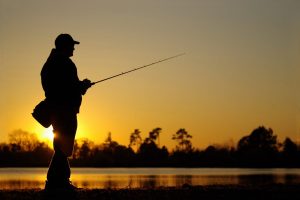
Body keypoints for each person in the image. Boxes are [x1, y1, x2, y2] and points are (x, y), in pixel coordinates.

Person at [41, 34, 92, 191]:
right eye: (71, 45)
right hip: (65, 110)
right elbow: (67, 88)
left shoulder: (52, 63)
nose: (74, 48)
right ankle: (56, 182)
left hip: (59, 110)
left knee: (62, 146)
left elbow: (62, 86)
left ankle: (58, 182)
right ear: (64, 46)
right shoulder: (64, 63)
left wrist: (80, 86)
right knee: (63, 147)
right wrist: (81, 86)